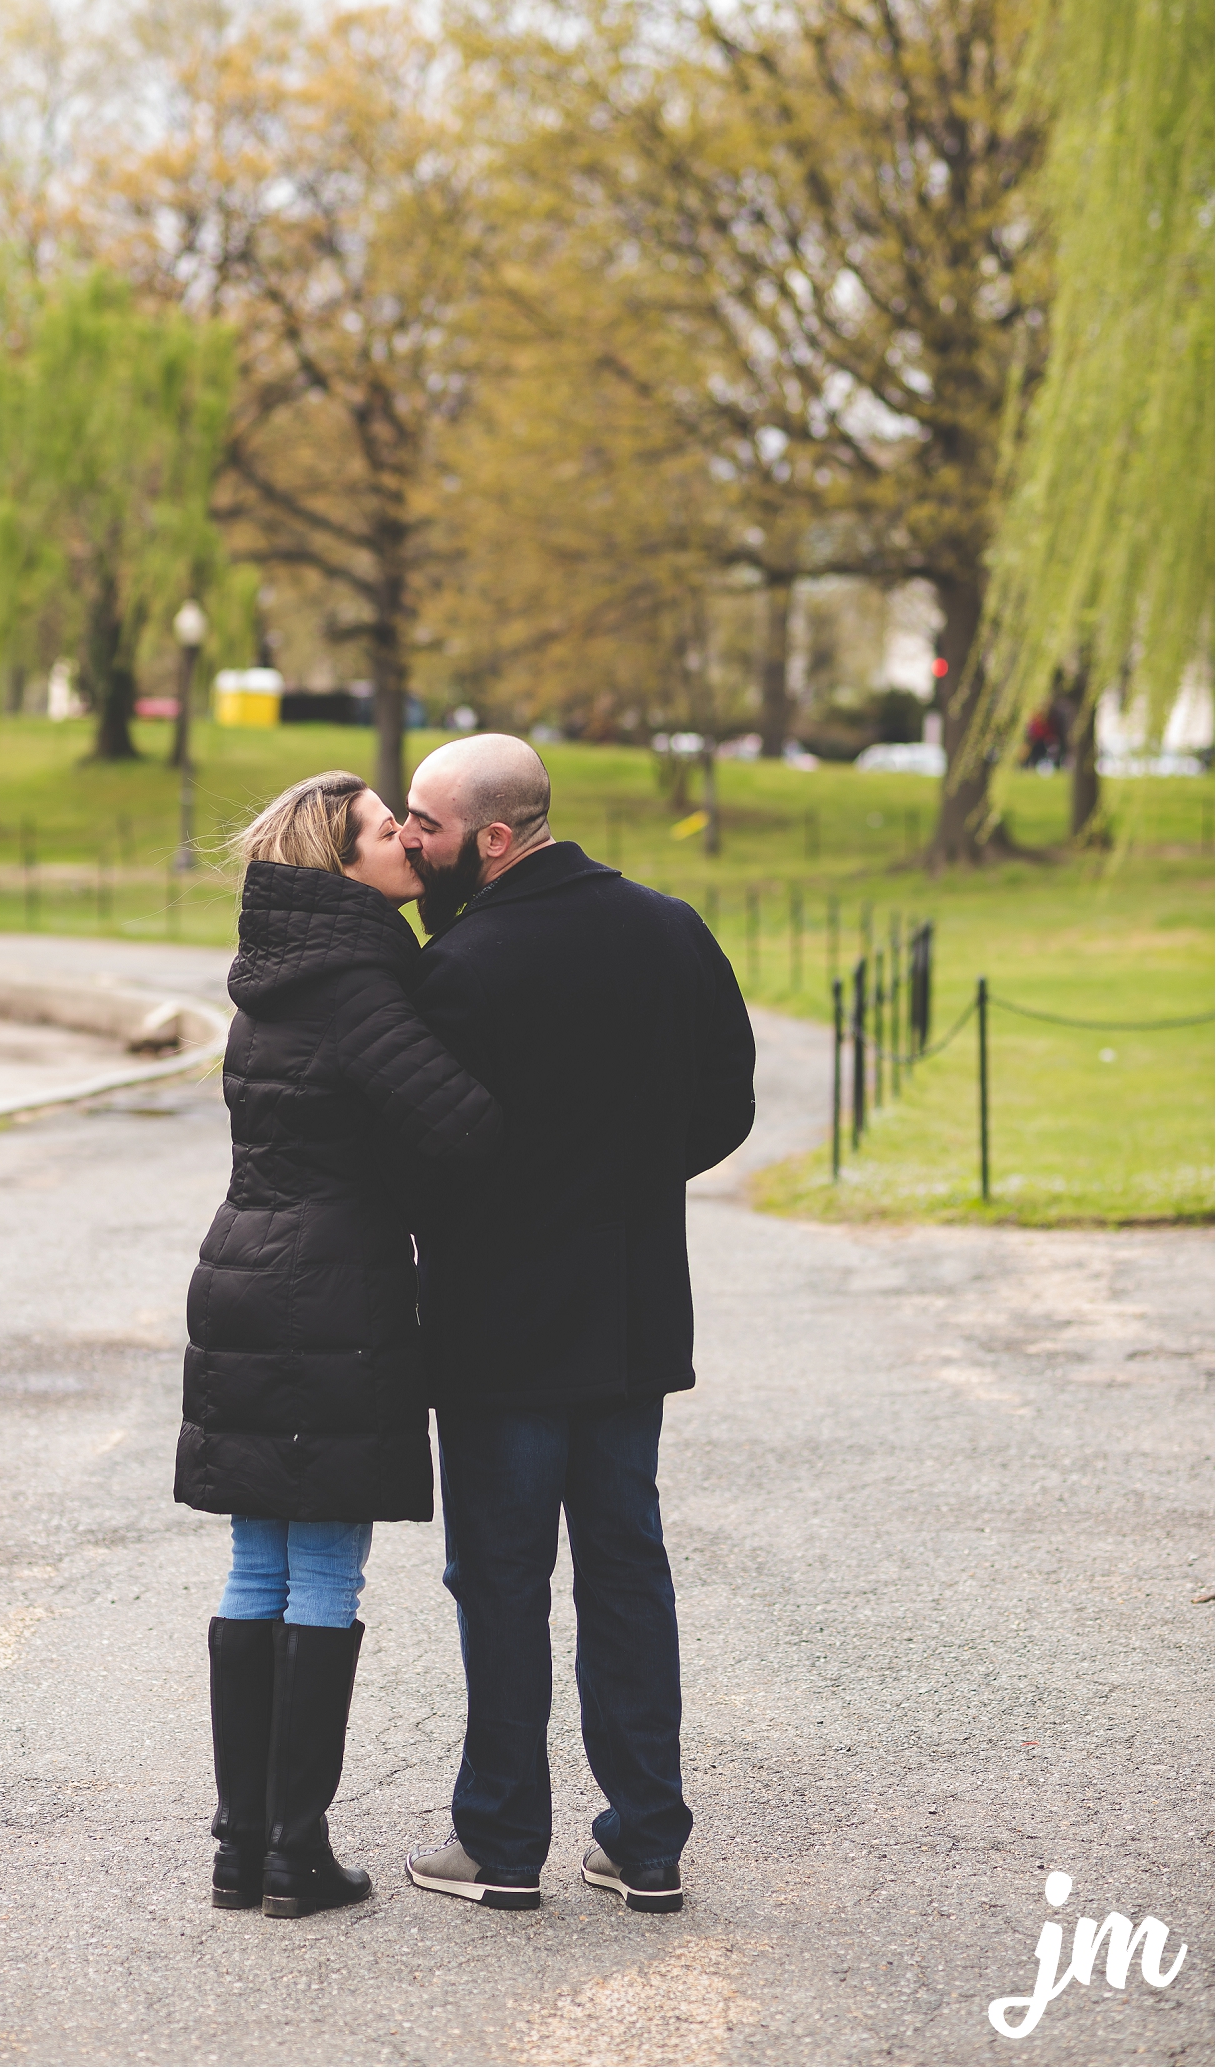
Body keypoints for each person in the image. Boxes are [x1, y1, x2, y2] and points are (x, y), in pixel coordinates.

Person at [399, 734, 755, 1915]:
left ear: (494, 838)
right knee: (625, 1571)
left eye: (427, 826)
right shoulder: (672, 930)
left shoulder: (459, 966)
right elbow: (728, 1104)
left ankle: (501, 1842)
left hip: (497, 1330)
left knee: (499, 1581)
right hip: (630, 1308)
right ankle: (646, 1841)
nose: (409, 842)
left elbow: (422, 1153)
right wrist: (630, 1178)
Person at [174, 771, 503, 1919]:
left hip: (242, 1280)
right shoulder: (361, 985)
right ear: (341, 864)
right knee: (322, 1568)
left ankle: (243, 1846)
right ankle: (294, 1853)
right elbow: (463, 1132)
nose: (406, 841)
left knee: (256, 1562)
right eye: (381, 830)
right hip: (331, 1296)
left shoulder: (267, 982)